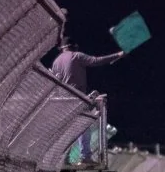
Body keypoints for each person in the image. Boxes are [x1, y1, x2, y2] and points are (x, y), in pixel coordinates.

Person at [51, 36, 124, 164]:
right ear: (72, 46)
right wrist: (118, 55)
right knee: (83, 127)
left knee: (66, 130)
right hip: (77, 98)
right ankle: (85, 157)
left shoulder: (56, 62)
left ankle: (62, 160)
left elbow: (56, 82)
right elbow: (96, 61)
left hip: (62, 99)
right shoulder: (76, 56)